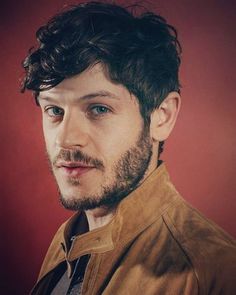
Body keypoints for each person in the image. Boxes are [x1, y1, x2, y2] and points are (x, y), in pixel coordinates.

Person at [21, 1, 236, 294]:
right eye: (54, 111)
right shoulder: (67, 240)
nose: (65, 139)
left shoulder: (214, 272)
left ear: (162, 116)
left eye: (98, 108)